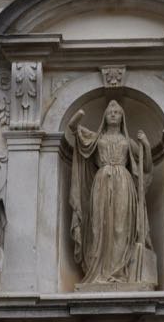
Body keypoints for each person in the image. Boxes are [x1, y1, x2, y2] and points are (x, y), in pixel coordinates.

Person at [66, 100, 158, 289]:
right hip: (101, 184)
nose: (114, 113)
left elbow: (146, 167)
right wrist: (79, 118)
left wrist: (147, 146)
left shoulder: (128, 142)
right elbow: (75, 130)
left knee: (120, 228)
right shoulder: (97, 138)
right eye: (110, 111)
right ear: (105, 117)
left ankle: (121, 273)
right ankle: (99, 273)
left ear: (122, 116)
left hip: (124, 185)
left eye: (117, 111)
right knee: (98, 227)